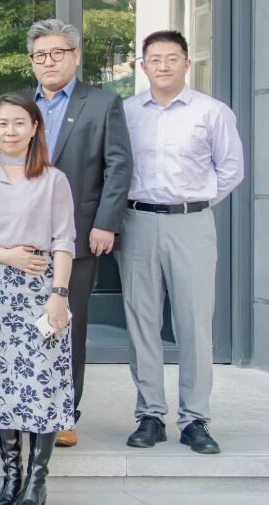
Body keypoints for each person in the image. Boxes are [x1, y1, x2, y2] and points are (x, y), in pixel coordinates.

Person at [120, 30, 244, 455]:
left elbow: (231, 170)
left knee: (194, 322)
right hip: (137, 222)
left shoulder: (211, 112)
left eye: (172, 58)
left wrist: (196, 201)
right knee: (142, 321)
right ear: (143, 66)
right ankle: (150, 414)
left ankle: (195, 418)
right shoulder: (127, 112)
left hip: (192, 223)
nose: (163, 65)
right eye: (155, 59)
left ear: (187, 63)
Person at [0, 93, 75, 505]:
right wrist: (7, 256)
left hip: (43, 289)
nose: (10, 131)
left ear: (34, 128)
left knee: (42, 381)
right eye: (2, 123)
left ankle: (37, 479)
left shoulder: (53, 179)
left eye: (18, 123)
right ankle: (11, 476)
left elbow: (64, 241)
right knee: (3, 382)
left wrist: (59, 295)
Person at [28, 18, 132, 448]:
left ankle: (64, 413)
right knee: (22, 322)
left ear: (75, 55)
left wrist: (106, 222)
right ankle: (21, 406)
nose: (48, 61)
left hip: (80, 234)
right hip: (22, 237)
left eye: (57, 53)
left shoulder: (103, 103)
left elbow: (119, 166)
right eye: (40, 55)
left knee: (68, 322)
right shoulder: (20, 104)